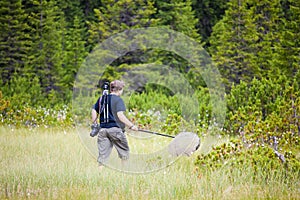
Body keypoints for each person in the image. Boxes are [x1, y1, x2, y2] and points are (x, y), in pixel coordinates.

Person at [91, 80, 138, 168]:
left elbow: (94, 110)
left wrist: (94, 123)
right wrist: (131, 126)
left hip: (103, 131)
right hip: (115, 131)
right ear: (119, 89)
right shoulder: (118, 100)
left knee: (103, 158)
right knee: (124, 153)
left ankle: (99, 175)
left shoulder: (102, 98)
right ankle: (124, 174)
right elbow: (120, 115)